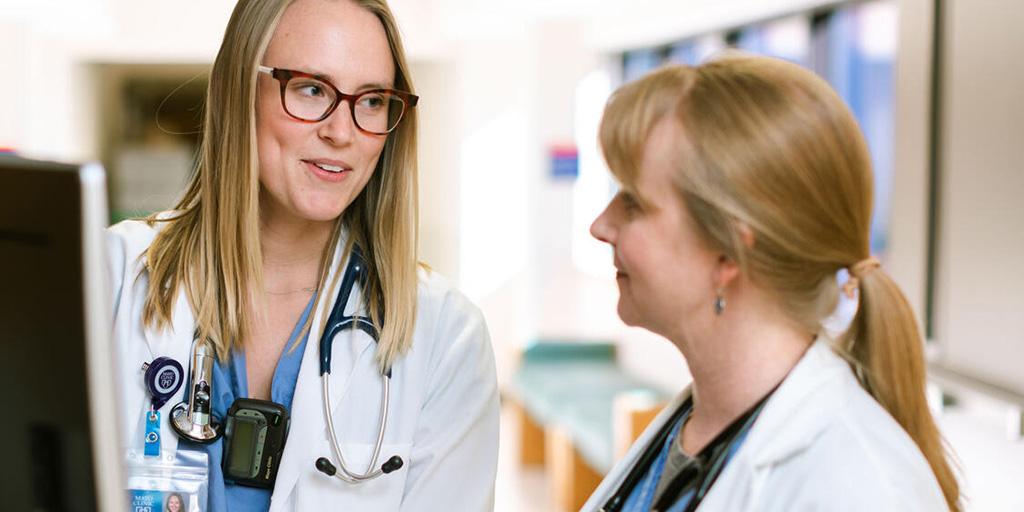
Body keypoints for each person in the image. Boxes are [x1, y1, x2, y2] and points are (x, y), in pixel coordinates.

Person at [107, 1, 499, 510]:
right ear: (237, 90)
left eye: (372, 100)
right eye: (312, 89)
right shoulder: (109, 278)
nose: (342, 132)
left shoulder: (445, 334)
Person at [582, 55, 960, 511]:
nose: (601, 226)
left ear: (729, 253)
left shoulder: (860, 489)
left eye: (633, 203)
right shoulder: (698, 429)